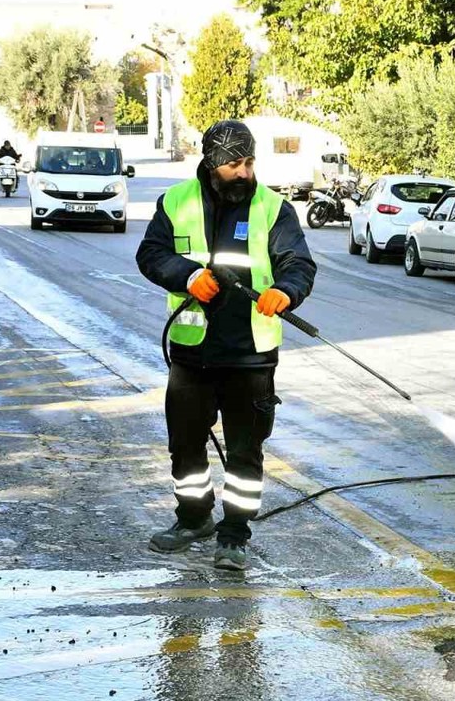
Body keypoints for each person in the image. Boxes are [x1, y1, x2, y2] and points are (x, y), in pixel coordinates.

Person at [136, 120, 317, 571]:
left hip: (250, 354)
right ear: (213, 164)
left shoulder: (273, 209)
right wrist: (189, 277)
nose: (244, 171)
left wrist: (287, 290)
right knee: (186, 445)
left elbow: (298, 263)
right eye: (235, 163)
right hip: (191, 352)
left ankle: (234, 535)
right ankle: (193, 518)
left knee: (244, 450)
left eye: (250, 162)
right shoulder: (175, 202)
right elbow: (151, 255)